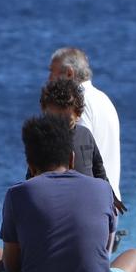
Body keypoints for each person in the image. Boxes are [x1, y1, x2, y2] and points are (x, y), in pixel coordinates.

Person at [0, 113, 136, 272]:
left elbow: (12, 266)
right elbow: (101, 252)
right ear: (72, 158)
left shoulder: (18, 194)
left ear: (31, 165)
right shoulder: (102, 189)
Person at [50, 47, 121, 206]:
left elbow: (81, 156)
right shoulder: (103, 99)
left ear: (69, 73)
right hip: (107, 198)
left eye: (52, 72)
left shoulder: (76, 104)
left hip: (88, 200)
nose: (49, 79)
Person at [39, 76, 117, 209]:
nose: (61, 125)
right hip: (56, 207)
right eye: (54, 119)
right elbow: (32, 177)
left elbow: (99, 170)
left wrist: (111, 197)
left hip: (89, 203)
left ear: (78, 115)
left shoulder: (85, 134)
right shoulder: (43, 139)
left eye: (67, 121)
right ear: (45, 112)